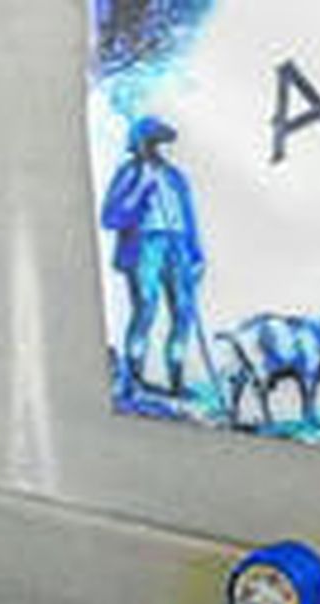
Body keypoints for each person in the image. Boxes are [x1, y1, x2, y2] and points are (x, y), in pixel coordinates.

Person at [100, 115, 206, 397]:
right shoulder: (130, 172)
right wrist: (139, 189)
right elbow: (110, 217)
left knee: (183, 310)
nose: (158, 147)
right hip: (145, 243)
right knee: (146, 308)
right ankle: (135, 378)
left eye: (161, 142)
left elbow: (189, 218)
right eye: (153, 142)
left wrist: (196, 253)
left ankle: (176, 380)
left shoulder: (175, 176)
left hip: (177, 244)